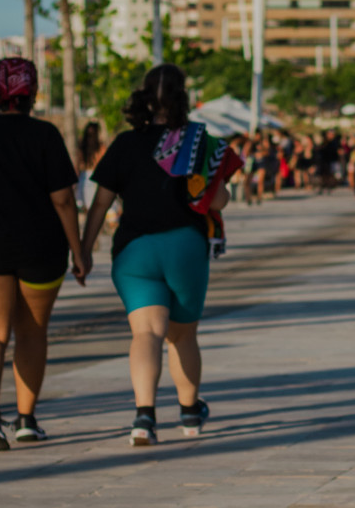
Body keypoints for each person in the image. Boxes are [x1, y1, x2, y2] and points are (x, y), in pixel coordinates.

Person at [81, 64, 239, 447]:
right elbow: (217, 199)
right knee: (182, 336)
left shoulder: (125, 143)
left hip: (135, 250)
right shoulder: (199, 143)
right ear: (183, 98)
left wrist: (83, 251)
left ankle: (144, 417)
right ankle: (188, 413)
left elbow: (100, 203)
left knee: (146, 333)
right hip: (184, 245)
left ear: (144, 98)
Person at [0, 58, 86, 450]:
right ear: (33, 94)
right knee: (31, 332)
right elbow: (63, 200)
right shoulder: (46, 135)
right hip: (40, 246)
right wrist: (80, 252)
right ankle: (27, 420)